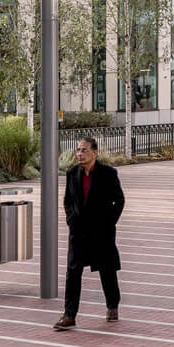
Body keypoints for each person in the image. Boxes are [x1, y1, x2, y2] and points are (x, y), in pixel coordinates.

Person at [56, 136, 124, 331]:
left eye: (84, 150)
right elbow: (68, 201)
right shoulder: (72, 173)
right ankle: (69, 315)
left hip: (101, 231)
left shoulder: (108, 173)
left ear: (95, 152)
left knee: (107, 270)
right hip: (78, 232)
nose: (79, 154)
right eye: (78, 150)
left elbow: (119, 200)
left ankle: (112, 305)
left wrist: (109, 222)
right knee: (73, 271)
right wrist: (71, 219)